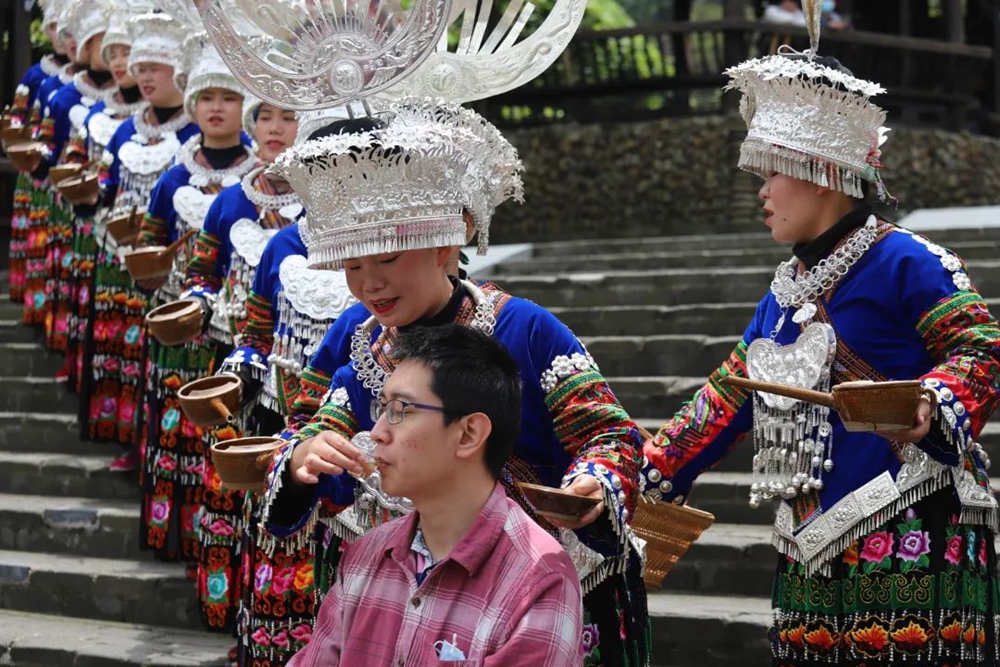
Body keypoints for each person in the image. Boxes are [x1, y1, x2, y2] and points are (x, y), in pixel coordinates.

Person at [641, 51, 1000, 665]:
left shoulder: (908, 262)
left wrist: (933, 402)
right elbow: (728, 396)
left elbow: (979, 349)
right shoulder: (780, 295)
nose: (761, 193)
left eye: (770, 173)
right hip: (807, 539)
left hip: (909, 521)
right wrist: (640, 473)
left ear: (818, 172)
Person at [260, 100, 648, 665]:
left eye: (386, 257)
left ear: (446, 242)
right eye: (351, 266)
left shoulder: (525, 329)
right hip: (395, 584)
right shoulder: (360, 337)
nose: (369, 283)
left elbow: (609, 435)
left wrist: (593, 483)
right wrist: (303, 459)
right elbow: (315, 429)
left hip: (526, 581)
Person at [286, 324, 584, 666]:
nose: (377, 433)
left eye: (401, 410)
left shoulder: (538, 579)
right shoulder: (366, 556)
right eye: (382, 409)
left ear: (469, 433)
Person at [133, 35, 254, 632]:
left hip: (238, 342)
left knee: (222, 445)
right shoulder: (171, 173)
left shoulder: (262, 182)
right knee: (180, 434)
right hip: (182, 330)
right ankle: (178, 541)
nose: (214, 108)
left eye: (228, 97)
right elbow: (150, 238)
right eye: (205, 97)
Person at [86, 10, 197, 460]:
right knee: (124, 354)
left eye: (155, 67)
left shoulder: (195, 134)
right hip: (121, 260)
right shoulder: (127, 129)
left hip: (180, 281)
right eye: (140, 68)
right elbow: (105, 184)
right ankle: (120, 432)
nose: (144, 77)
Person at [7, 0, 70, 305]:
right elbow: (19, 116)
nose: (63, 35)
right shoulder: (36, 74)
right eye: (56, 27)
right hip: (37, 164)